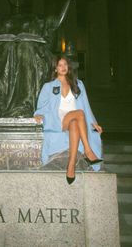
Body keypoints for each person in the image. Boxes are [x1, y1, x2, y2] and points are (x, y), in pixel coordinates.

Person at [34, 55, 103, 184]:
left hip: (75, 119)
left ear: (68, 67)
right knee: (79, 113)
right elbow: (41, 105)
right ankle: (89, 151)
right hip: (57, 120)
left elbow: (87, 106)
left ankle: (71, 166)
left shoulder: (78, 84)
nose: (63, 67)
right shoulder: (48, 86)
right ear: (55, 69)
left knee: (75, 121)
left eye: (65, 64)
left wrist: (94, 123)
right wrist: (39, 114)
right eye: (60, 65)